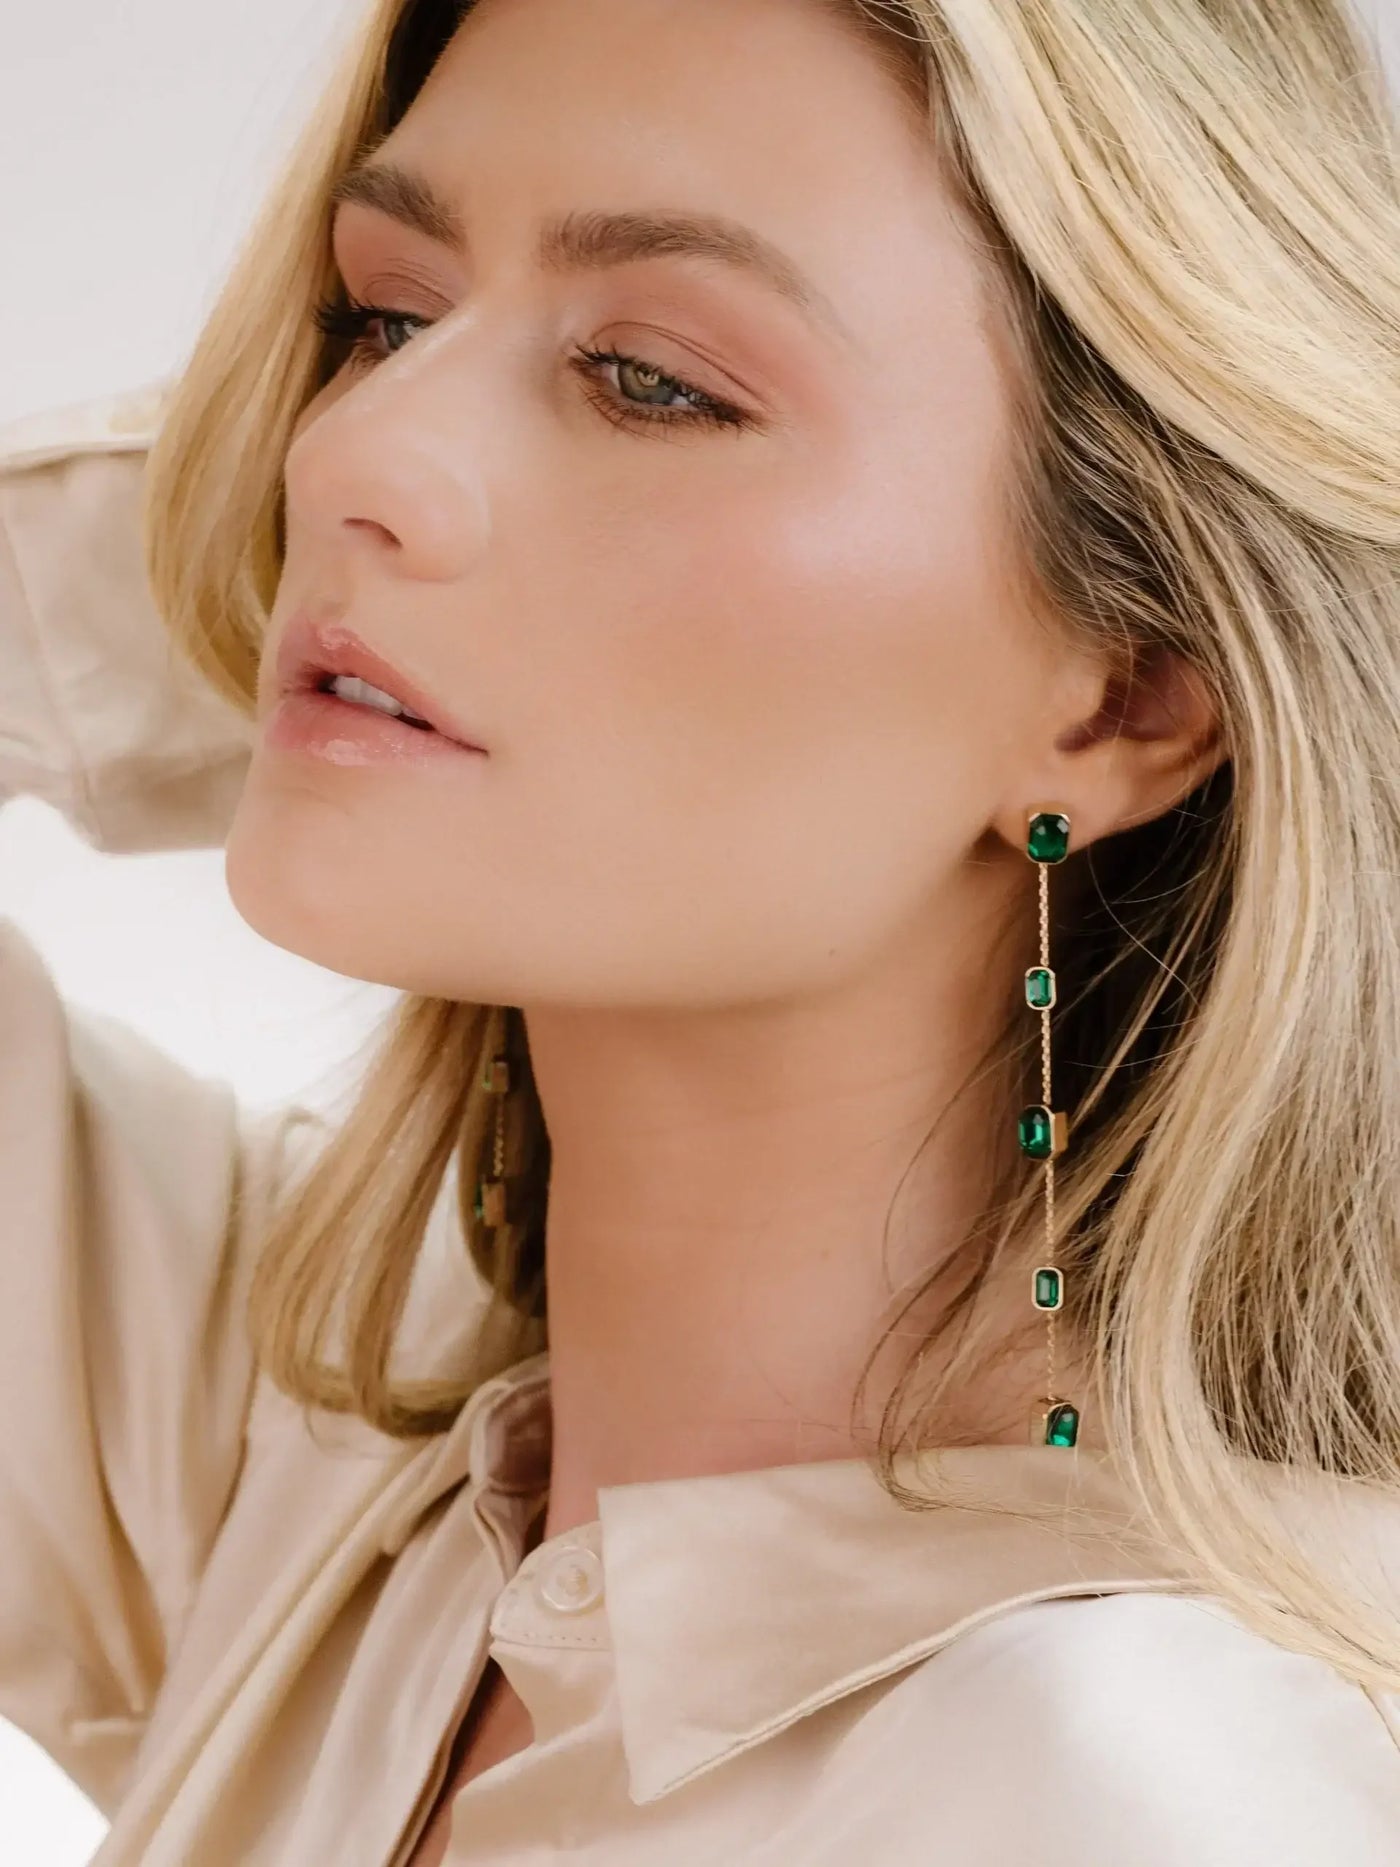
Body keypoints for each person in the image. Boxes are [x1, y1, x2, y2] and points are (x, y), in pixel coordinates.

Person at [3, 0, 1400, 1860]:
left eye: (652, 381)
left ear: (1128, 696)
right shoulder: (314, 1478)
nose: (351, 456)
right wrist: (235, 564)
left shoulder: (1131, 1794)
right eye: (387, 316)